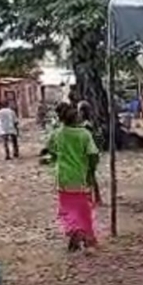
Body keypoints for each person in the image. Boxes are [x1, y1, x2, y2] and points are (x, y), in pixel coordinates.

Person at [41, 103, 100, 252]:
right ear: (77, 118)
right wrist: (91, 171)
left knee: (67, 208)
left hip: (63, 177)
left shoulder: (57, 134)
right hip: (81, 176)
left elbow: (49, 150)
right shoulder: (84, 134)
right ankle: (88, 239)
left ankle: (74, 230)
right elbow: (93, 154)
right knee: (84, 209)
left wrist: (55, 158)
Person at [76, 101, 102, 204]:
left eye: (79, 111)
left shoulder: (86, 126)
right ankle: (95, 197)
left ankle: (90, 198)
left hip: (88, 153)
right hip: (92, 153)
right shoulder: (89, 124)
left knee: (88, 176)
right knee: (91, 176)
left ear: (82, 112)